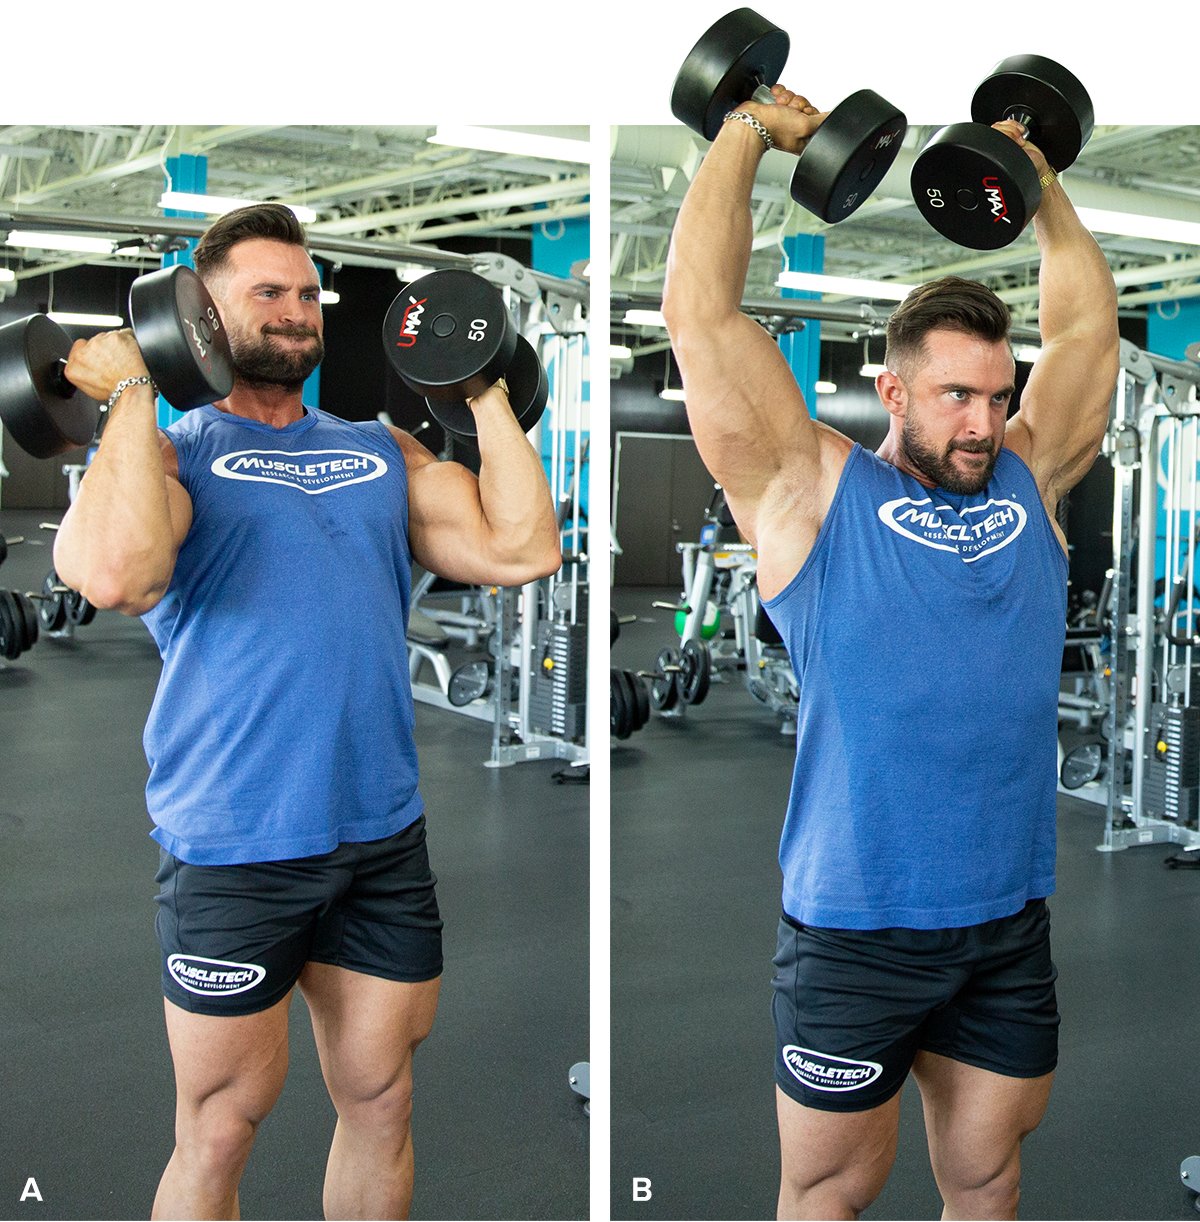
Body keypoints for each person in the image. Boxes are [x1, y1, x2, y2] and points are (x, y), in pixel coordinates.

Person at [661, 87, 1118, 1220]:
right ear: (894, 388)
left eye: (996, 396)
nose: (980, 422)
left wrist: (1041, 187)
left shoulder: (1030, 478)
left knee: (987, 1181)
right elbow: (703, 319)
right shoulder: (810, 488)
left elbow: (1088, 334)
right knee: (829, 1192)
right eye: (956, 395)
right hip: (857, 927)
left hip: (1005, 921)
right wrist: (747, 133)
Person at [52, 204, 561, 1220]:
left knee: (380, 1099)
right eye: (267, 293)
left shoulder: (383, 453)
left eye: (306, 293)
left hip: (379, 838)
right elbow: (116, 571)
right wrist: (133, 395)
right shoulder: (175, 454)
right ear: (202, 312)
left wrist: (480, 383)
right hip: (236, 843)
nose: (295, 313)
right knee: (221, 1126)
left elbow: (522, 549)